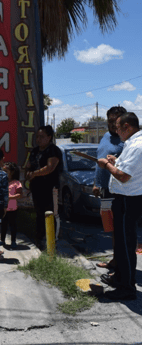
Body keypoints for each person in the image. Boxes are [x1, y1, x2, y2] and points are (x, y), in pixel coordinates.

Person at [97, 112, 141, 301]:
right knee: (122, 244)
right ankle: (121, 278)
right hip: (123, 199)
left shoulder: (138, 145)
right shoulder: (132, 143)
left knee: (125, 245)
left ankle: (127, 288)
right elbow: (127, 168)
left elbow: (123, 176)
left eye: (117, 127)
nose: (115, 131)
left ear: (127, 127)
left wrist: (106, 165)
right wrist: (116, 161)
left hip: (128, 200)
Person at [93, 106, 126, 270]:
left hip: (119, 191)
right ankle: (116, 260)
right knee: (112, 229)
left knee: (121, 230)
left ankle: (122, 265)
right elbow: (99, 161)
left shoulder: (126, 140)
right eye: (110, 121)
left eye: (117, 121)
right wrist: (96, 183)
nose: (113, 124)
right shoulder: (105, 136)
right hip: (105, 190)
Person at [25, 125, 62, 250]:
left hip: (50, 189)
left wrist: (34, 173)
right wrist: (28, 172)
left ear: (49, 137)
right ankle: (39, 239)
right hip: (37, 188)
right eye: (37, 137)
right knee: (39, 214)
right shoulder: (35, 151)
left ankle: (52, 241)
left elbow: (50, 168)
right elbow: (29, 165)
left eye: (42, 137)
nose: (38, 139)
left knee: (51, 213)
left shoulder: (53, 150)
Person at [0, 162, 23, 250]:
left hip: (12, 209)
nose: (3, 173)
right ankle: (2, 240)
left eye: (6, 171)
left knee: (13, 226)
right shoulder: (2, 182)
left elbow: (19, 195)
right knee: (3, 225)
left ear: (12, 172)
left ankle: (13, 241)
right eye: (3, 171)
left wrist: (10, 197)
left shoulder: (16, 183)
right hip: (3, 208)